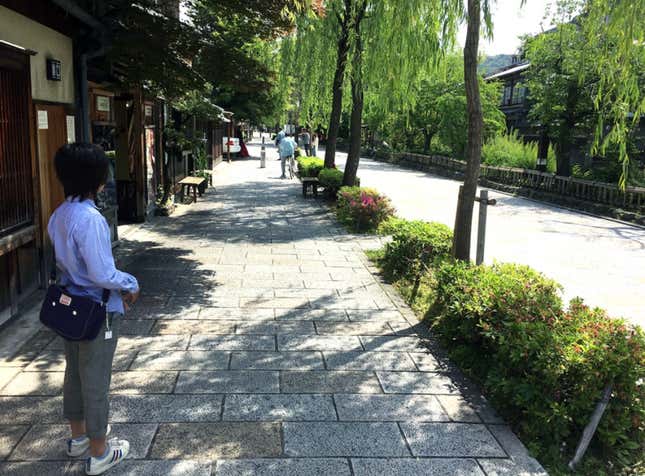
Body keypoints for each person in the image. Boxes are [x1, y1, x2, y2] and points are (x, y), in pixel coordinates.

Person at [48, 143, 140, 475]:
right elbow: (102, 274)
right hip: (96, 310)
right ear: (95, 178)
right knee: (96, 379)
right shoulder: (91, 219)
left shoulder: (60, 213)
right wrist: (130, 283)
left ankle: (78, 438)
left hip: (69, 307)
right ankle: (100, 452)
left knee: (74, 372)